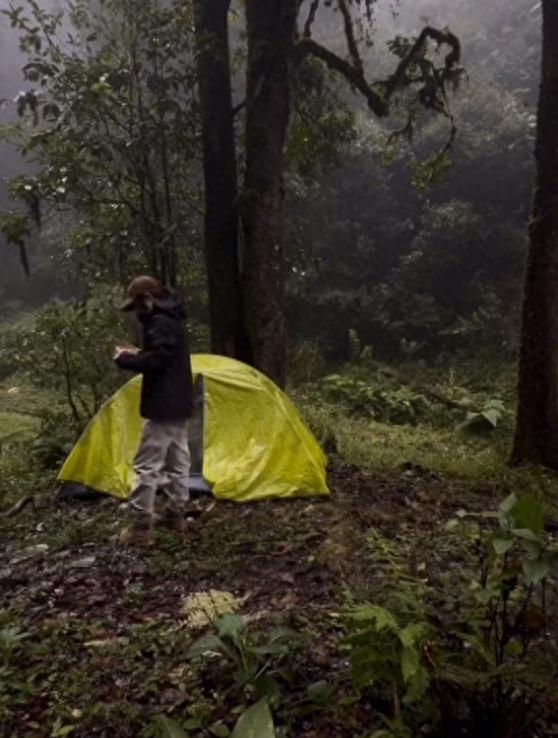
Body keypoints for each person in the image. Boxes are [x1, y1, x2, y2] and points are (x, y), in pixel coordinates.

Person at [114, 275, 194, 547]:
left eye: (136, 306)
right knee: (178, 460)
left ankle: (141, 528)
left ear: (147, 299)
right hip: (180, 402)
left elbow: (157, 361)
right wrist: (139, 354)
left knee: (147, 465)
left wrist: (126, 359)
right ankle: (175, 515)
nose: (136, 313)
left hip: (163, 404)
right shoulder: (173, 320)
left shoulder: (159, 322)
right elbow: (165, 357)